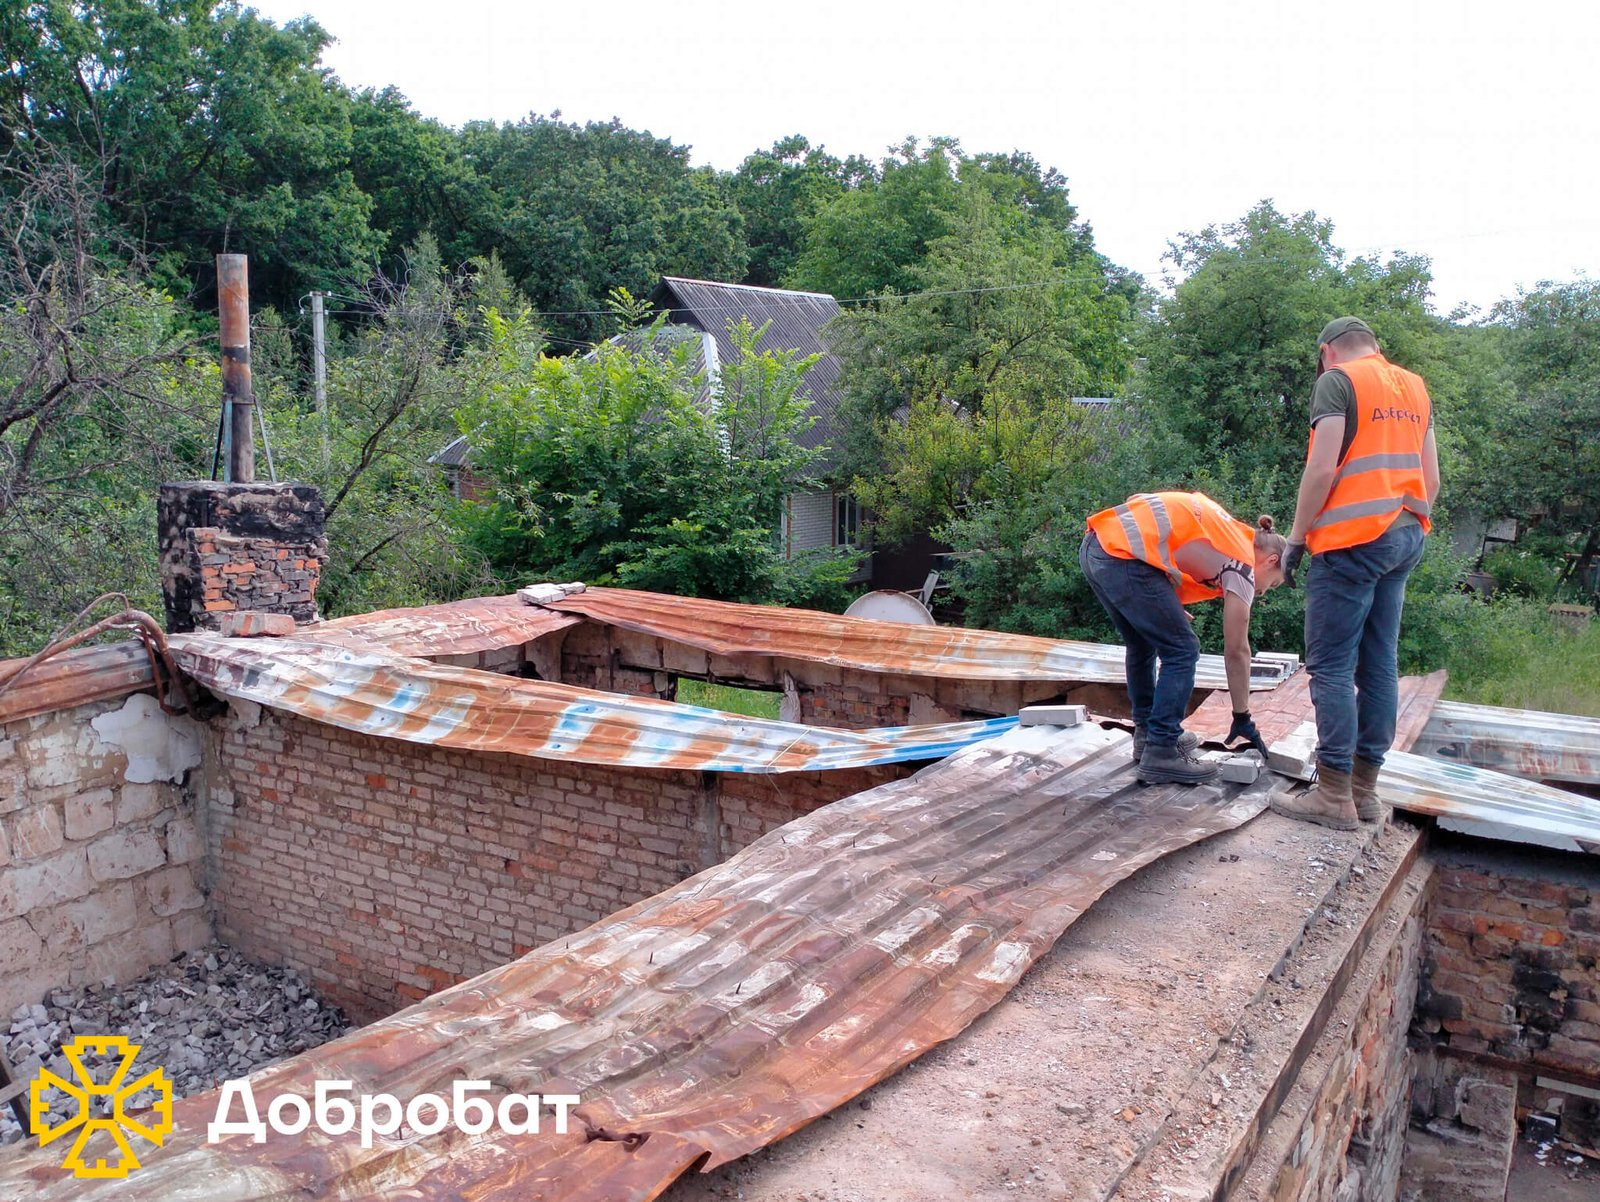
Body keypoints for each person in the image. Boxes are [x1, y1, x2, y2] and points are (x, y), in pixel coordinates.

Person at [1272, 317, 1441, 829]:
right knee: (1379, 662)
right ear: (1376, 346)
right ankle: (1364, 792)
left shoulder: (1338, 381)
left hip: (1351, 542)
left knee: (1331, 666)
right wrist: (1402, 524)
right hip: (1406, 533)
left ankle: (1332, 796)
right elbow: (1430, 476)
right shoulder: (1413, 386)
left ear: (1328, 351)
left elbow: (1322, 468)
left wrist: (1297, 539)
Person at [1080, 491, 1289, 785]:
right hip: (1122, 558)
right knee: (1183, 649)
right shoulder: (1242, 565)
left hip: (1098, 546)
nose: (1264, 591)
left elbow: (1141, 504)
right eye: (1274, 583)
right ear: (1271, 560)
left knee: (1142, 642)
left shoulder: (1226, 529)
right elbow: (1237, 650)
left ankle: (1148, 734)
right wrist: (1242, 715)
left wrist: (1164, 599)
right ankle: (1162, 750)